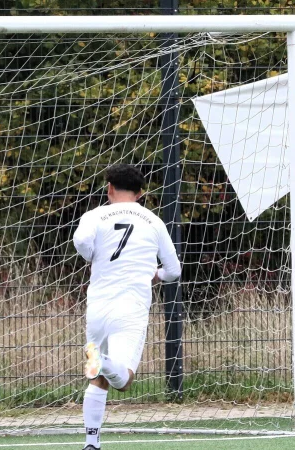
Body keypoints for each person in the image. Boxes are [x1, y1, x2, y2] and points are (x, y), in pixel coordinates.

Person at [72, 164, 181, 450]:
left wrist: (91, 255)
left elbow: (81, 240)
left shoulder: (94, 215)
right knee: (122, 380)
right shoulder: (153, 221)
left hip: (98, 304)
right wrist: (156, 274)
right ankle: (103, 360)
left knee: (97, 378)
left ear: (109, 189)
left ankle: (91, 444)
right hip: (131, 306)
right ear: (141, 193)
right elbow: (174, 270)